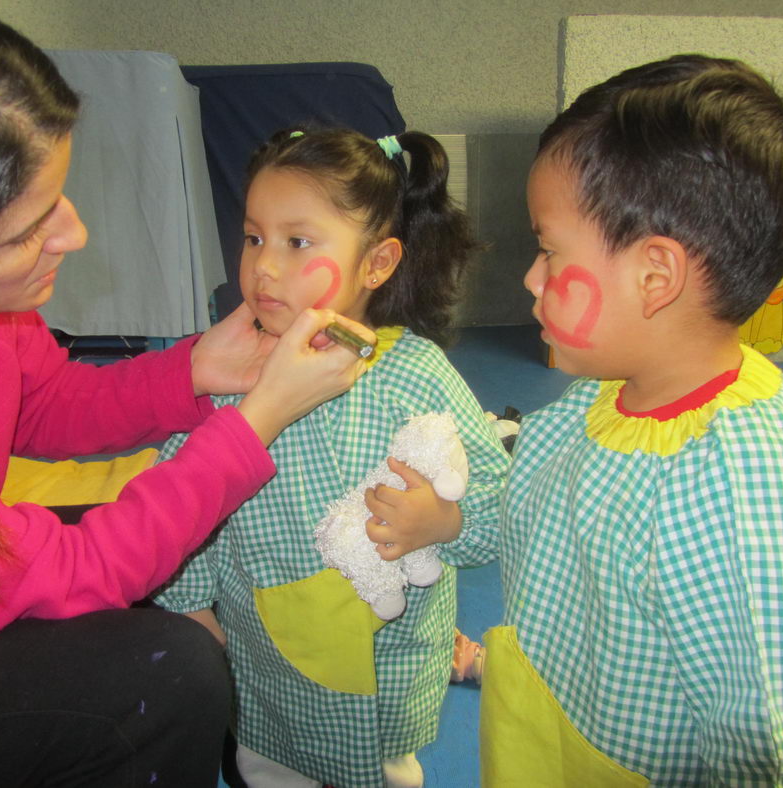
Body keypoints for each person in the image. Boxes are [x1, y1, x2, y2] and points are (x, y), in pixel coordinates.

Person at [0, 2, 372, 786]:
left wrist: (193, 370)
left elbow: (41, 404)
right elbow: (78, 569)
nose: (74, 236)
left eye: (59, 196)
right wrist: (256, 422)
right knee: (163, 674)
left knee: (180, 565)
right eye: (24, 233)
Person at [481, 54, 783, 786]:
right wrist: (445, 518)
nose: (531, 280)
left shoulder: (741, 493)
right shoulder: (609, 397)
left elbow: (781, 746)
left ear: (654, 278)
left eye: (547, 250)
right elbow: (533, 493)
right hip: (551, 735)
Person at [153, 127, 510, 788]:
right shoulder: (228, 374)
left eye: (297, 242)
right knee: (269, 769)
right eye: (254, 237)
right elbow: (179, 500)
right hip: (266, 667)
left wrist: (445, 522)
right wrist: (191, 607)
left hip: (390, 666)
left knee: (388, 773)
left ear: (374, 265)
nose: (263, 266)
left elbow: (500, 497)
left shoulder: (417, 374)